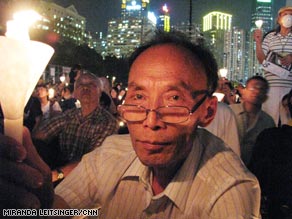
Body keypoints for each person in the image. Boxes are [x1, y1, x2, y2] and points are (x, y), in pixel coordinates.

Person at [0, 31, 261, 218]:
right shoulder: (110, 155)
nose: (151, 120)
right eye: (138, 97)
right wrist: (41, 201)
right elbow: (69, 211)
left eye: (173, 99)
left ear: (207, 111)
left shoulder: (228, 191)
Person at [32, 73, 119, 182]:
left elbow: (92, 160)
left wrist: (56, 174)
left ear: (100, 92)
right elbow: (42, 134)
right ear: (75, 93)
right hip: (60, 173)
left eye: (91, 84)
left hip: (87, 181)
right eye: (80, 85)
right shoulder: (69, 115)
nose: (85, 87)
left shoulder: (108, 122)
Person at [254, 6, 292, 126]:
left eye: (291, 14)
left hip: (290, 86)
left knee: (288, 120)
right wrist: (258, 42)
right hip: (272, 85)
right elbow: (261, 59)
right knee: (269, 121)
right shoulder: (270, 37)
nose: (288, 16)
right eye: (284, 14)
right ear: (278, 19)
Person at [230, 76, 275, 166]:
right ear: (243, 91)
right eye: (253, 88)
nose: (256, 92)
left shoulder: (268, 122)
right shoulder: (230, 112)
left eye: (261, 89)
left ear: (266, 97)